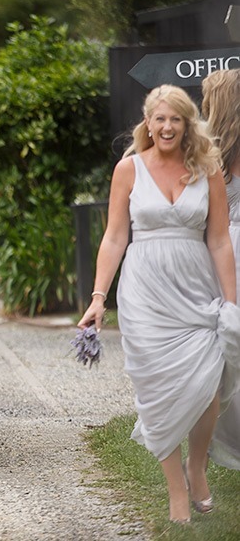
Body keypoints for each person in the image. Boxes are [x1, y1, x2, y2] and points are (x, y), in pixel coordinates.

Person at [78, 84, 240, 523]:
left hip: (196, 287)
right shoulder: (128, 169)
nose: (167, 127)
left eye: (176, 119)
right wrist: (98, 297)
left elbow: (221, 239)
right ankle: (177, 494)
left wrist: (231, 303)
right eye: (160, 119)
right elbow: (114, 237)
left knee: (208, 386)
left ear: (188, 124)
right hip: (144, 292)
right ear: (148, 123)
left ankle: (196, 466)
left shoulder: (208, 169)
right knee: (154, 391)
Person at [201, 68, 240, 471]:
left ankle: (218, 437)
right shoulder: (207, 154)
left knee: (224, 346)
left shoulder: (207, 155)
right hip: (223, 249)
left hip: (222, 249)